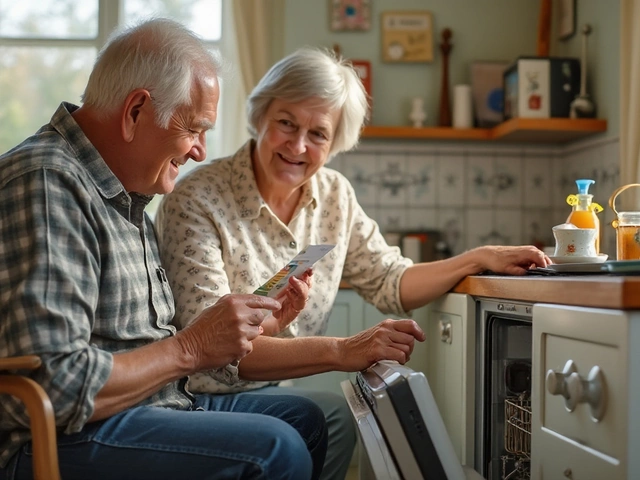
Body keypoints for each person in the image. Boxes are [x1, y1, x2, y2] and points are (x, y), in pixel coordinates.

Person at [156, 47, 552, 480]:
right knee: (327, 416)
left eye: (319, 134)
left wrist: (477, 259)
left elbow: (392, 281)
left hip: (262, 392)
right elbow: (213, 352)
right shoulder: (196, 198)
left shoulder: (334, 197)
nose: (299, 145)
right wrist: (344, 351)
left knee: (332, 419)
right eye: (286, 123)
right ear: (261, 115)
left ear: (336, 140)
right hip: (190, 397)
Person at [0, 19, 329, 480]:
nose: (200, 151)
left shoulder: (126, 194)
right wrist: (192, 346)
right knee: (276, 449)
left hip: (146, 406)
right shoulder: (48, 182)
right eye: (195, 129)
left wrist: (254, 326)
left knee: (306, 420)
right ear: (136, 111)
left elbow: (147, 343)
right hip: (58, 437)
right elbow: (57, 384)